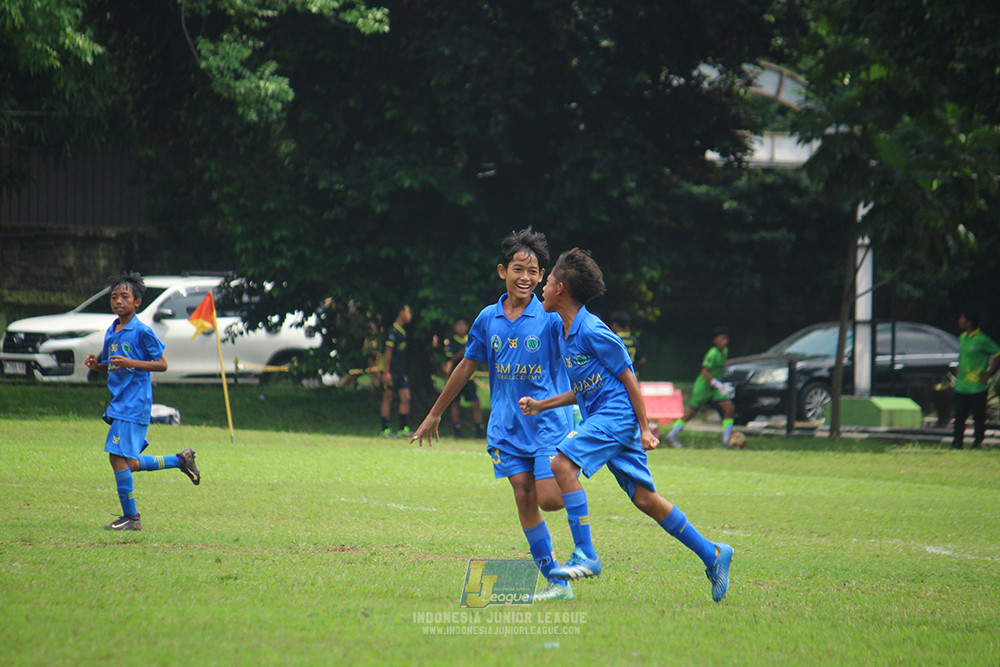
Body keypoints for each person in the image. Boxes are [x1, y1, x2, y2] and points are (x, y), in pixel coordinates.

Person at [519, 248, 733, 602]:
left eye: (547, 281)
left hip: (616, 418)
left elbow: (629, 377)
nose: (541, 287)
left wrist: (646, 428)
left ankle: (586, 553)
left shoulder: (592, 330)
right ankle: (713, 554)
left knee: (560, 462)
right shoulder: (565, 331)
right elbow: (586, 389)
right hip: (604, 417)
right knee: (645, 499)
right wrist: (543, 403)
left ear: (561, 289)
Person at [411, 228, 575, 602]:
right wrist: (436, 413)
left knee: (550, 498)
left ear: (542, 276)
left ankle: (576, 471)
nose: (526, 278)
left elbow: (579, 356)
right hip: (507, 426)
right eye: (519, 269)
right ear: (503, 271)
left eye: (534, 272)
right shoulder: (488, 318)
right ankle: (557, 581)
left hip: (548, 423)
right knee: (522, 493)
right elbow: (467, 366)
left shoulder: (550, 317)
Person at [83, 272, 201, 531]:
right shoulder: (112, 330)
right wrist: (98, 366)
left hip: (135, 402)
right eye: (114, 297)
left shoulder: (142, 331)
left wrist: (132, 363)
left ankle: (131, 518)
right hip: (119, 402)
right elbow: (115, 367)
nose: (118, 301)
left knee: (116, 458)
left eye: (125, 297)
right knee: (128, 462)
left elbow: (162, 364)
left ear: (137, 302)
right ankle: (181, 459)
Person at [665, 327, 736, 448]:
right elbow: (704, 371)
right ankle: (672, 434)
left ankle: (726, 441)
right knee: (692, 412)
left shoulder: (725, 351)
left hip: (715, 387)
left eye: (726, 338)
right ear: (715, 340)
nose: (725, 341)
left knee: (729, 408)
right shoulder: (712, 353)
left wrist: (723, 384)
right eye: (722, 338)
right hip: (704, 386)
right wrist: (715, 382)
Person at [951, 309, 1000, 449]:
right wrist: (958, 369)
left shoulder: (982, 339)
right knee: (959, 416)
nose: (959, 321)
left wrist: (989, 373)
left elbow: (998, 353)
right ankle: (957, 442)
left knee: (978, 416)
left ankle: (978, 442)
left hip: (977, 386)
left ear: (970, 322)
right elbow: (963, 356)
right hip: (962, 385)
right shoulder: (963, 337)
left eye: (962, 318)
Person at [443, 317, 486, 439]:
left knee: (475, 403)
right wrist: (462, 353)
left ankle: (479, 429)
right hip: (456, 377)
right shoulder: (451, 341)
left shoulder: (471, 339)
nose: (461, 328)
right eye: (458, 325)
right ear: (454, 327)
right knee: (455, 403)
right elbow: (450, 358)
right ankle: (457, 430)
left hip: (469, 378)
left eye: (463, 325)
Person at [379, 303, 412, 437]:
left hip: (400, 371)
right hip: (391, 370)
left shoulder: (402, 332)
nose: (410, 315)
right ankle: (385, 429)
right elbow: (388, 353)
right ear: (401, 313)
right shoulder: (393, 331)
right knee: (388, 397)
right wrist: (386, 372)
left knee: (406, 397)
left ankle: (403, 428)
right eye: (408, 312)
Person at [609, 311, 646, 376]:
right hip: (633, 376)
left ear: (614, 325)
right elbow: (642, 360)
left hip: (618, 377)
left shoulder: (613, 339)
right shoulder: (634, 340)